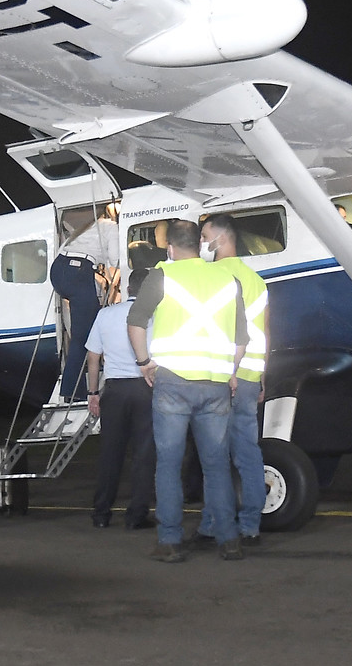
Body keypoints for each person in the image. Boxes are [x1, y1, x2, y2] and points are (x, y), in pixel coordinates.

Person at [128, 218, 246, 562]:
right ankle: (229, 540)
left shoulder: (162, 276)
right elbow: (241, 340)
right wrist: (229, 371)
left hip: (173, 384)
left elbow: (135, 322)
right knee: (216, 465)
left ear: (169, 248)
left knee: (168, 464)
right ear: (201, 245)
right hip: (216, 385)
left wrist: (144, 362)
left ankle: (170, 541)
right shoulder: (228, 279)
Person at [203, 212, 271, 546]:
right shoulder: (256, 280)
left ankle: (212, 525)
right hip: (250, 376)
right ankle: (250, 525)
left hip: (222, 375)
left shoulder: (212, 276)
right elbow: (266, 330)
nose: (202, 243)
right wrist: (262, 376)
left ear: (221, 238)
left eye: (205, 237)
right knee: (248, 453)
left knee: (214, 455)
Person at [84, 284, 154, 530]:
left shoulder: (105, 314)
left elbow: (93, 357)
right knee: (143, 455)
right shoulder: (154, 315)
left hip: (115, 390)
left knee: (110, 454)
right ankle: (136, 516)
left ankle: (101, 513)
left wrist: (93, 392)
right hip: (145, 388)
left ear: (127, 288)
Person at [51, 202, 120, 401]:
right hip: (79, 271)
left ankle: (74, 386)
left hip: (59, 270)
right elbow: (115, 259)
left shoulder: (83, 228)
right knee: (83, 337)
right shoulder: (110, 226)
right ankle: (73, 392)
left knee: (83, 329)